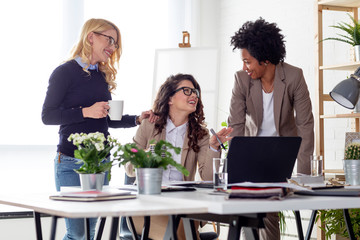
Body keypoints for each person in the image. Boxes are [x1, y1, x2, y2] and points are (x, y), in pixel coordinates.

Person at [41, 18, 156, 240]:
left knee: (90, 233)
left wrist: (136, 119)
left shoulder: (100, 76)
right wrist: (86, 111)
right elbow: (48, 116)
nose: (113, 48)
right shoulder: (64, 72)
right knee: (78, 234)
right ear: (91, 37)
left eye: (116, 44)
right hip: (71, 162)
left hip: (101, 162)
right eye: (110, 40)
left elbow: (106, 119)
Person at [228, 18, 314, 240]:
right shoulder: (241, 80)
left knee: (268, 213)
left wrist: (304, 176)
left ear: (265, 59)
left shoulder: (294, 77)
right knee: (246, 214)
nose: (244, 67)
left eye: (248, 62)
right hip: (249, 153)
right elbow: (236, 125)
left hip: (280, 156)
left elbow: (305, 124)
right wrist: (233, 168)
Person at [125, 73, 233, 239]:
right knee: (181, 230)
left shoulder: (201, 134)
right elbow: (130, 169)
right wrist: (147, 155)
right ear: (169, 98)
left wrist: (213, 147)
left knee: (182, 224)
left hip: (185, 205)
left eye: (195, 92)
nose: (194, 95)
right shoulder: (149, 125)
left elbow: (208, 178)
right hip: (147, 206)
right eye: (187, 91)